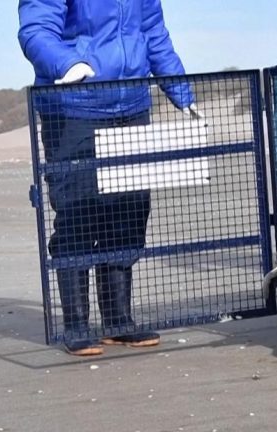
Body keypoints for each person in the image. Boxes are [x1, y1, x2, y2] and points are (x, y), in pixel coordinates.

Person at [18, 0, 198, 356]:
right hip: (74, 107)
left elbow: (152, 32)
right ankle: (76, 326)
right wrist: (67, 63)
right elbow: (35, 30)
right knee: (77, 213)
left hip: (131, 107)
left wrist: (181, 92)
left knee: (129, 211)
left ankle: (118, 321)